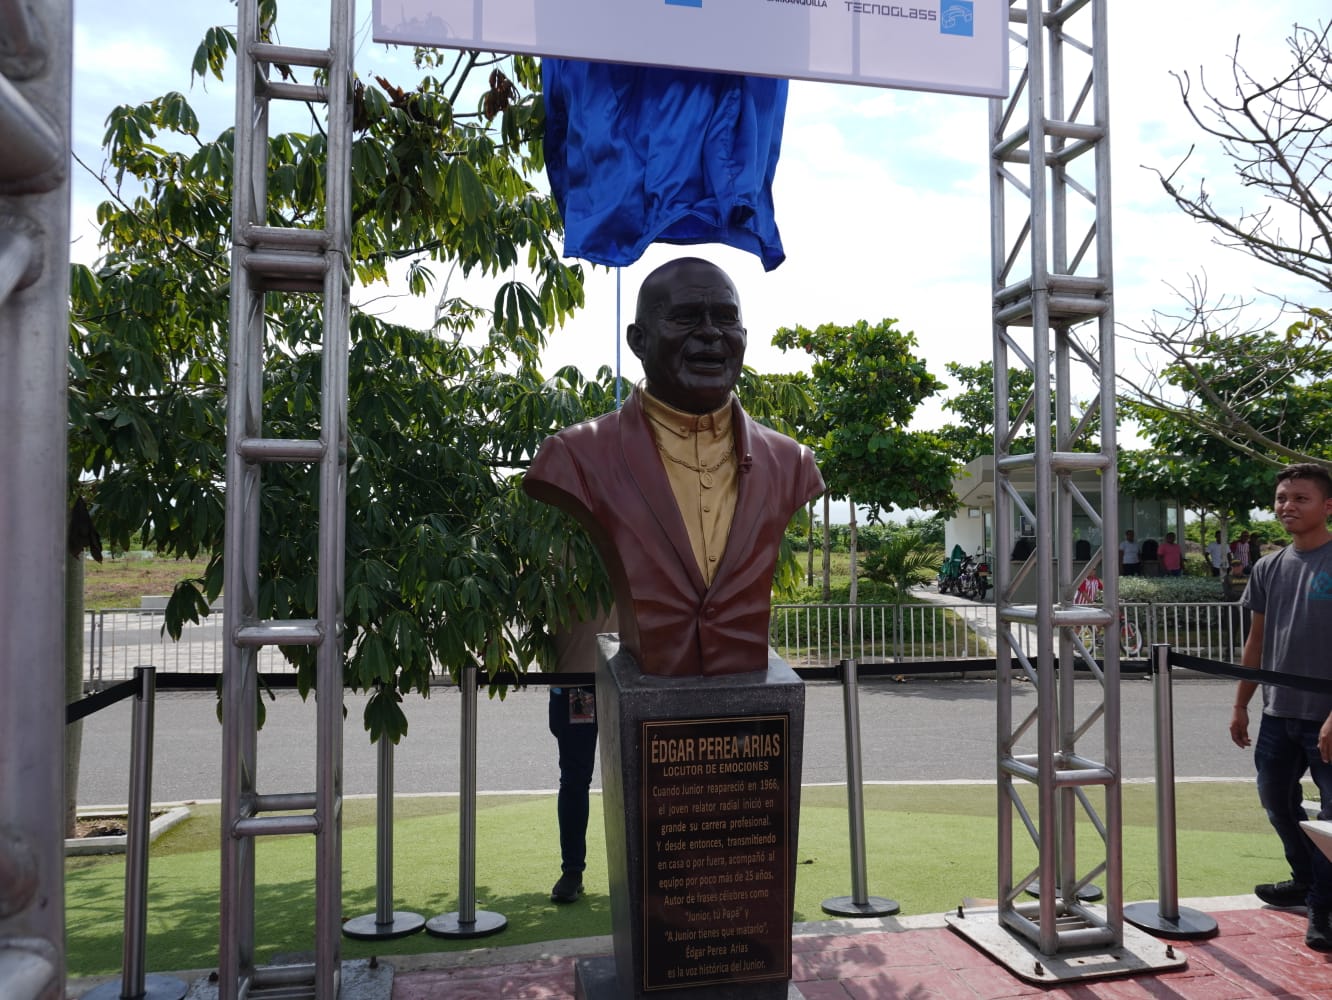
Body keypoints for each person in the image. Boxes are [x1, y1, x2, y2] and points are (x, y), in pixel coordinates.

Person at [523, 257, 825, 677]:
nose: (710, 333)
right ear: (638, 341)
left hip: (748, 691)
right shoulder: (576, 457)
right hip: (649, 679)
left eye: (726, 318)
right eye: (685, 318)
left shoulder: (791, 463)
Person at [1229, 463, 1332, 951]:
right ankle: (1307, 878)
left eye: (1300, 498)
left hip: (1328, 716)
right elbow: (1257, 641)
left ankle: (1324, 907)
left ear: (1328, 506)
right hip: (1277, 713)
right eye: (1281, 497)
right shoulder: (1268, 566)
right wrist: (1242, 704)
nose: (1287, 506)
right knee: (1275, 800)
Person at [547, 606, 616, 903]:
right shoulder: (552, 558)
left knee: (639, 776)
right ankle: (573, 870)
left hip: (621, 679)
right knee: (575, 779)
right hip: (576, 686)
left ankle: (648, 869)